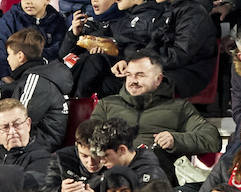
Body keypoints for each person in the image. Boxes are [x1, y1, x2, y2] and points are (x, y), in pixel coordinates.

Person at [91, 51, 221, 181]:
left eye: (140, 75)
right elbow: (88, 139)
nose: (132, 81)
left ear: (158, 79)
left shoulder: (179, 107)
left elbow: (211, 138)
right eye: (129, 75)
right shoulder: (107, 104)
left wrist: (175, 140)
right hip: (114, 178)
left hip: (157, 181)